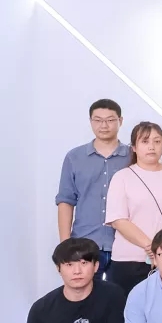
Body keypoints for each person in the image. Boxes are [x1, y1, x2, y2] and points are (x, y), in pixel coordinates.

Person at [105, 121, 162, 293]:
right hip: (129, 259)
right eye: (145, 141)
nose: (151, 146)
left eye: (157, 141)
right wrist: (152, 246)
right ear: (134, 147)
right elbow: (119, 220)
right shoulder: (122, 177)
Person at [56, 98, 129, 279]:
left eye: (110, 120)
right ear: (90, 122)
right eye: (98, 120)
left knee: (123, 294)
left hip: (125, 242)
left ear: (120, 121)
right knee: (84, 293)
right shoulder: (74, 157)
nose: (104, 125)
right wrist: (65, 244)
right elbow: (66, 200)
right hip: (84, 242)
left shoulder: (133, 156)